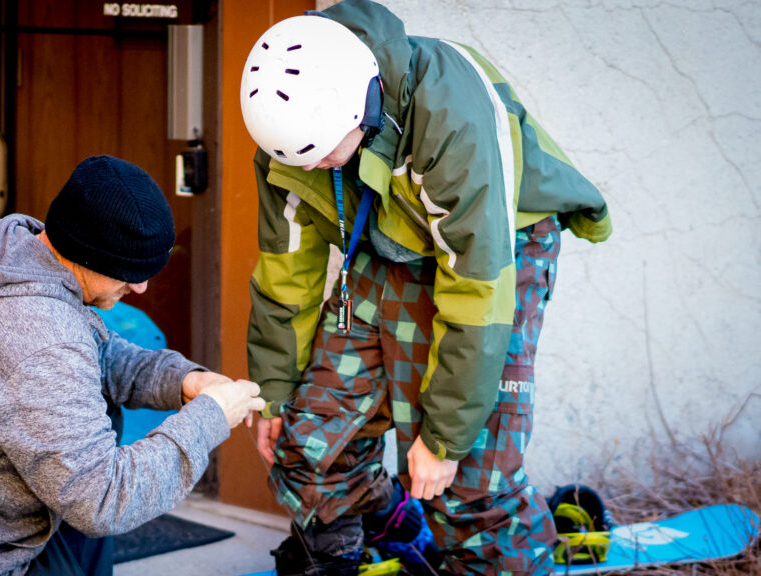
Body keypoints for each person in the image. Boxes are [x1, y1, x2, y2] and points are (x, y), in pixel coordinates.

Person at [240, 1, 612, 575]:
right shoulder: (289, 139)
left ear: (362, 106)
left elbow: (476, 292)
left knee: (466, 487)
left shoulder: (450, 116)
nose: (313, 171)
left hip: (497, 245)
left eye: (325, 155)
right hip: (389, 237)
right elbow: (287, 271)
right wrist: (272, 388)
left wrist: (443, 440)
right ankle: (382, 539)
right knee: (308, 444)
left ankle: (505, 552)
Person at [0, 155, 265, 576]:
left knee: (89, 451)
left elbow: (97, 353)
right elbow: (105, 498)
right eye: (130, 272)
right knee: (92, 497)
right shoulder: (35, 333)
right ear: (88, 254)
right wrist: (207, 421)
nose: (142, 286)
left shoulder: (18, 259)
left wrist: (182, 379)